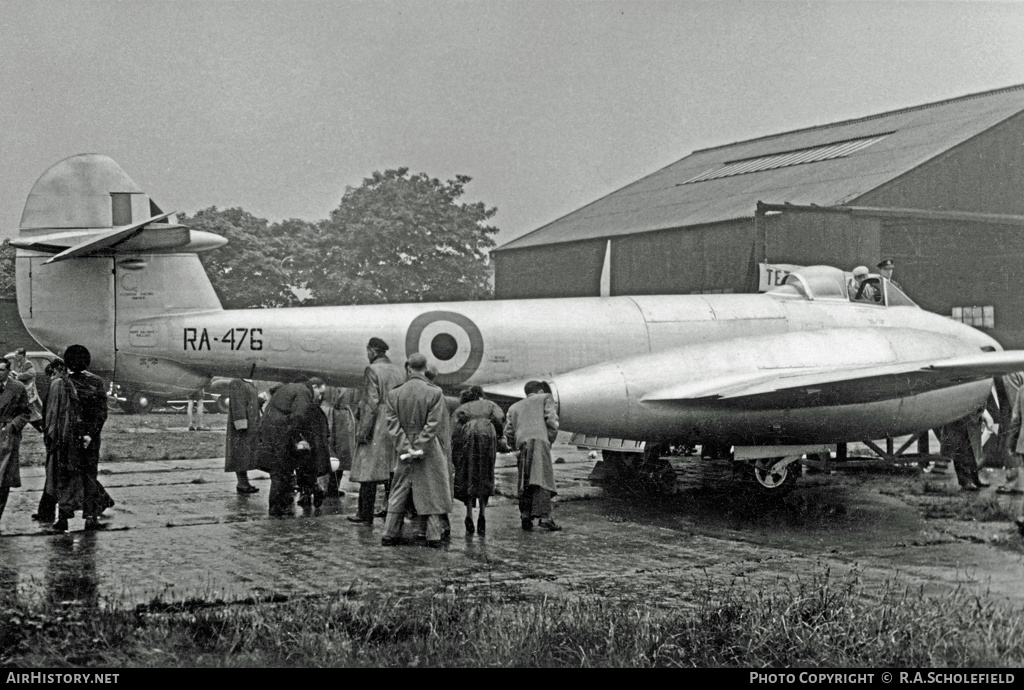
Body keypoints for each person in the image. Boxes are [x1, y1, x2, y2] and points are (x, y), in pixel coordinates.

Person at [380, 354, 453, 547]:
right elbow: (433, 424)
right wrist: (419, 447)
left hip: (403, 448)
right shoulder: (435, 392)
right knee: (432, 490)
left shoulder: (394, 394)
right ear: (425, 368)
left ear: (408, 368)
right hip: (429, 448)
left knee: (399, 489)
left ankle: (389, 533)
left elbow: (392, 425)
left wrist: (406, 448)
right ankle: (433, 535)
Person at [46, 345, 110, 532]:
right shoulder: (96, 382)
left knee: (65, 477)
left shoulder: (61, 383)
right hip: (90, 439)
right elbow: (101, 413)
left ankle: (63, 518)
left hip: (67, 438)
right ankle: (90, 518)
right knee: (90, 477)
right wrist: (90, 434)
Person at [348, 337, 405, 524]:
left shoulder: (372, 370)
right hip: (395, 423)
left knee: (368, 472)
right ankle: (390, 510)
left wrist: (363, 431)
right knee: (392, 471)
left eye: (367, 351)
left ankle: (364, 515)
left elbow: (370, 404)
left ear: (373, 351)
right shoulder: (399, 370)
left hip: (378, 425)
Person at [257, 376, 326, 516]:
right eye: (320, 392)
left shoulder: (293, 386)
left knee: (279, 469)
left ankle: (279, 505)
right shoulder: (304, 393)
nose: (319, 396)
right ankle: (276, 508)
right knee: (280, 470)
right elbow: (299, 417)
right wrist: (299, 440)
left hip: (272, 428)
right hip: (279, 431)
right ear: (314, 387)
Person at [505, 380, 561, 532]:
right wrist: (548, 440)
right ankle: (545, 518)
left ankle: (525, 515)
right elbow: (552, 422)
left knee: (525, 480)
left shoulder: (514, 407)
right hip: (540, 441)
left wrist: (515, 445)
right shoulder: (545, 398)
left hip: (522, 443)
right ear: (540, 390)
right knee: (542, 479)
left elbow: (509, 432)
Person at [452, 386, 504, 535]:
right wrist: (499, 436)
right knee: (486, 472)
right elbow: (499, 418)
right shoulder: (490, 404)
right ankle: (482, 513)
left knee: (468, 474)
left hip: (468, 435)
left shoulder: (463, 407)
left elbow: (455, 430)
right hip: (487, 434)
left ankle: (468, 513)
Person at [0, 358, 32, 535]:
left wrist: (12, 426)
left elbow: (25, 412)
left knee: (2, 481)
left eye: (1, 370)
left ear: (8, 371)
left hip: (7, 437)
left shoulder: (18, 388)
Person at [31, 358, 64, 523]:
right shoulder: (58, 384)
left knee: (54, 476)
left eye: (52, 373)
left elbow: (53, 413)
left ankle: (46, 512)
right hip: (56, 437)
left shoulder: (57, 385)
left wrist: (50, 436)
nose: (50, 377)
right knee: (55, 476)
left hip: (55, 438)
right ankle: (45, 511)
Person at [225, 378, 261, 493]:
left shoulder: (249, 382)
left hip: (251, 423)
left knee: (245, 454)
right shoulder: (237, 382)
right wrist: (241, 424)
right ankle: (242, 483)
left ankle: (244, 482)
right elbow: (238, 404)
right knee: (239, 453)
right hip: (242, 425)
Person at [939, 411, 989, 491]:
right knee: (959, 449)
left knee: (969, 450)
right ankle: (965, 482)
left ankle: (974, 479)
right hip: (954, 414)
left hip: (964, 416)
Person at [10, 348, 43, 433]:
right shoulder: (21, 364)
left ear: (22, 355)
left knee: (32, 411)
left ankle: (41, 428)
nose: (15, 356)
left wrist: (18, 376)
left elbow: (32, 373)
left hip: (29, 391)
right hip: (26, 391)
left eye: (17, 355)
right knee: (32, 411)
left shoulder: (27, 363)